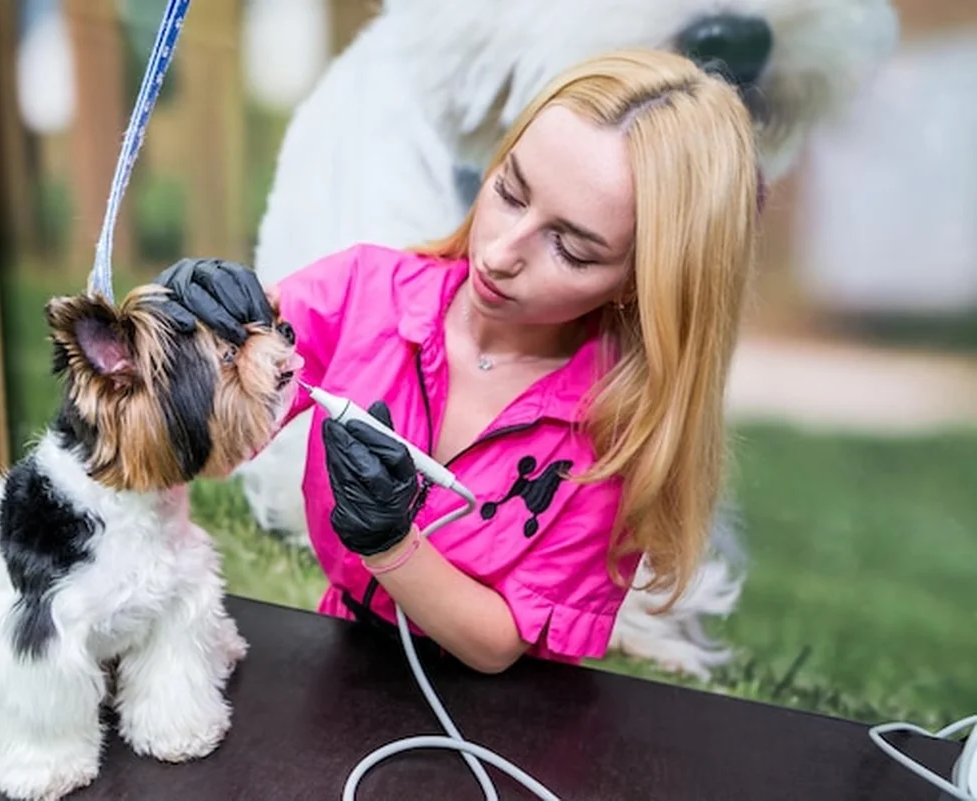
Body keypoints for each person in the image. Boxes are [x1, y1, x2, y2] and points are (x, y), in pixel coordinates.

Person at [156, 47, 759, 675]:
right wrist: (190, 327)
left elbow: (497, 645)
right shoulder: (366, 293)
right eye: (509, 191)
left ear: (641, 283)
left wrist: (391, 546)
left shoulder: (619, 435)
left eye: (572, 250)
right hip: (340, 666)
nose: (500, 253)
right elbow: (204, 423)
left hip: (502, 724)